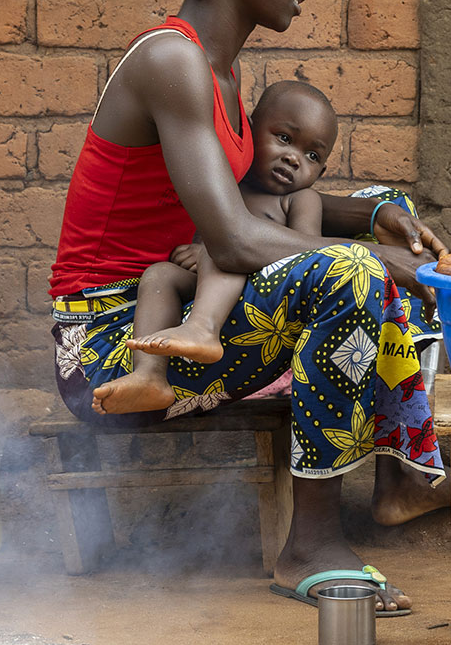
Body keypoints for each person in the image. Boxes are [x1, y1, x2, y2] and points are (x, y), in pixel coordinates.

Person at [49, 0, 451, 618]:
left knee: (375, 228)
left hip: (185, 309)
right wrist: (378, 259)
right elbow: (231, 235)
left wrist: (375, 212)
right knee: (347, 275)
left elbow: (255, 204)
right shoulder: (171, 60)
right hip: (116, 344)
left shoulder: (219, 73)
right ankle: (310, 545)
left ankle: (405, 476)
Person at [92, 80, 341, 413]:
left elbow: (307, 257)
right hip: (208, 289)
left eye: (312, 155)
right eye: (284, 138)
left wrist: (222, 248)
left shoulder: (301, 200)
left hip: (263, 299)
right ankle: (149, 376)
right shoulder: (226, 178)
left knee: (227, 241)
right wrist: (201, 252)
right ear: (250, 132)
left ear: (321, 172)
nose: (293, 158)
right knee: (161, 275)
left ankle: (202, 329)